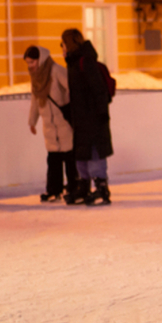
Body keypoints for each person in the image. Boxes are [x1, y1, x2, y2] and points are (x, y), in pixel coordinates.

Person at [61, 28, 113, 205]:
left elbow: (98, 90)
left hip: (92, 117)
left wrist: (101, 114)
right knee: (81, 153)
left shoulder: (85, 61)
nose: (61, 48)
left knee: (94, 152)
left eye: (62, 44)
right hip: (81, 118)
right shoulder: (74, 63)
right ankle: (84, 185)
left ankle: (101, 186)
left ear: (68, 43)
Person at [24, 45, 77, 203]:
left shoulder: (56, 70)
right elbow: (35, 101)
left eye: (32, 62)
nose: (30, 66)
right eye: (28, 63)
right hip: (49, 126)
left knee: (69, 158)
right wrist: (32, 121)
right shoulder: (36, 77)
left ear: (40, 59)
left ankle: (74, 188)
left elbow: (72, 88)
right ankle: (54, 190)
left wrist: (71, 105)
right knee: (53, 159)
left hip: (63, 123)